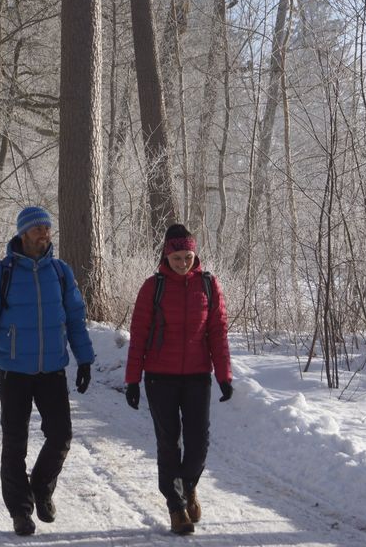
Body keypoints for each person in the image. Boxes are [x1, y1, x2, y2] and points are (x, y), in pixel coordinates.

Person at [0, 205, 95, 537]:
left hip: (52, 369)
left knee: (61, 437)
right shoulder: (1, 274)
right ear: (23, 233)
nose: (45, 233)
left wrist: (84, 360)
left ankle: (40, 486)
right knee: (14, 444)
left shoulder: (61, 273)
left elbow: (75, 320)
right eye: (38, 228)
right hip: (14, 371)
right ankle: (20, 513)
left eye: (47, 228)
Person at [124, 224, 233, 535]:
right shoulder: (151, 288)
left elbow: (218, 335)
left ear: (195, 254)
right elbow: (139, 338)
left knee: (198, 443)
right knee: (168, 443)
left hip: (199, 376)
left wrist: (224, 376)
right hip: (160, 378)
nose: (183, 263)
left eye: (188, 256)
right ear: (166, 255)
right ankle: (176, 507)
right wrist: (133, 380)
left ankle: (187, 487)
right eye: (177, 258)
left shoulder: (209, 286)